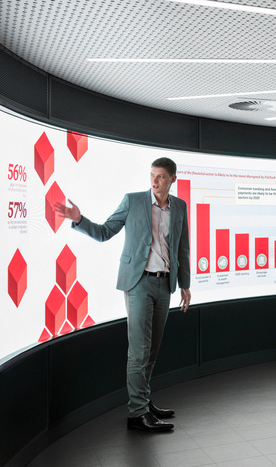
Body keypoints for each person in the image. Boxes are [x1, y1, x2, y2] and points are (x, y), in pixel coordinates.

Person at [53, 157, 191, 432]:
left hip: (165, 284)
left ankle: (144, 400)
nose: (154, 181)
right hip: (138, 283)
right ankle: (137, 413)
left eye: (161, 176)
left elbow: (182, 247)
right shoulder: (133, 201)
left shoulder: (180, 207)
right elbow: (105, 232)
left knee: (152, 350)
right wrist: (79, 220)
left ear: (173, 179)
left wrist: (185, 284)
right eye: (152, 175)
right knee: (139, 351)